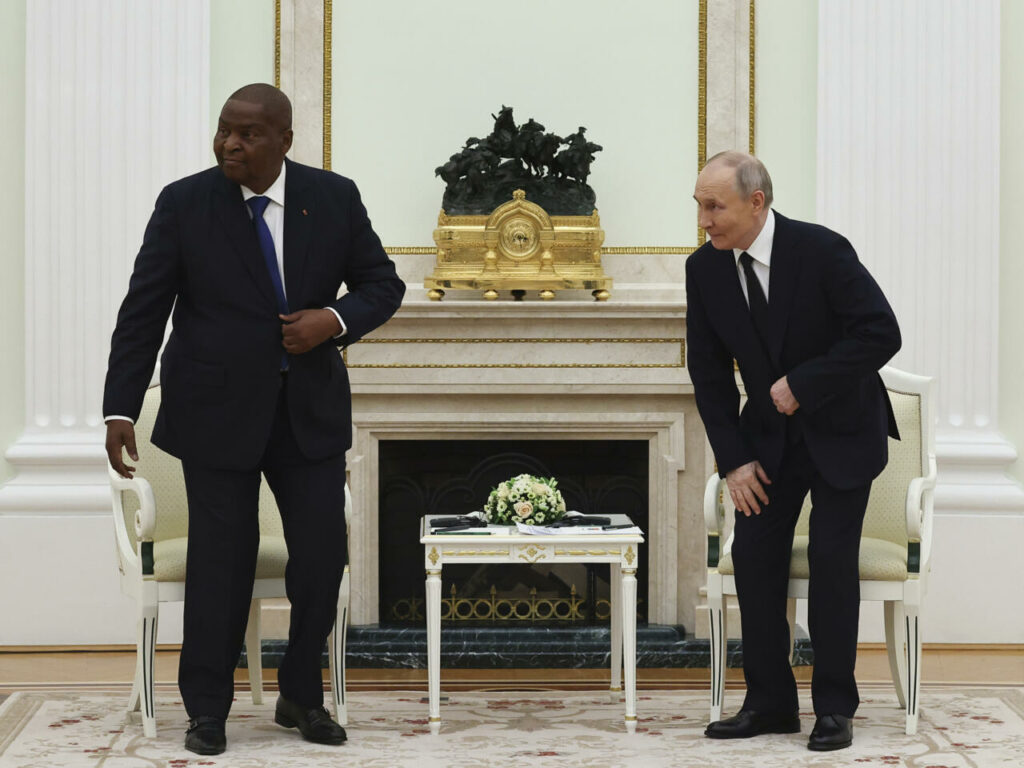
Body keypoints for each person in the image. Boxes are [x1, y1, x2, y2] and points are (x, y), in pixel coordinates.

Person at [103, 83, 405, 755]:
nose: (230, 144)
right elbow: (144, 309)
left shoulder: (333, 197)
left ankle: (300, 695)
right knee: (222, 563)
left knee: (321, 560)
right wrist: (120, 405)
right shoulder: (185, 203)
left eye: (248, 134)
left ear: (284, 140)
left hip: (308, 413)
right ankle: (207, 709)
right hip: (214, 413)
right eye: (224, 130)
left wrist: (333, 320)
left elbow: (383, 285)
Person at [686, 151, 900, 752]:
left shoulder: (821, 249)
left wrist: (803, 384)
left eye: (714, 206)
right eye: (699, 206)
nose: (704, 219)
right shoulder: (703, 269)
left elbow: (881, 333)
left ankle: (834, 707)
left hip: (844, 432)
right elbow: (708, 372)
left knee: (832, 559)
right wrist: (733, 461)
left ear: (756, 202)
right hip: (766, 444)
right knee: (754, 555)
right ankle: (770, 703)